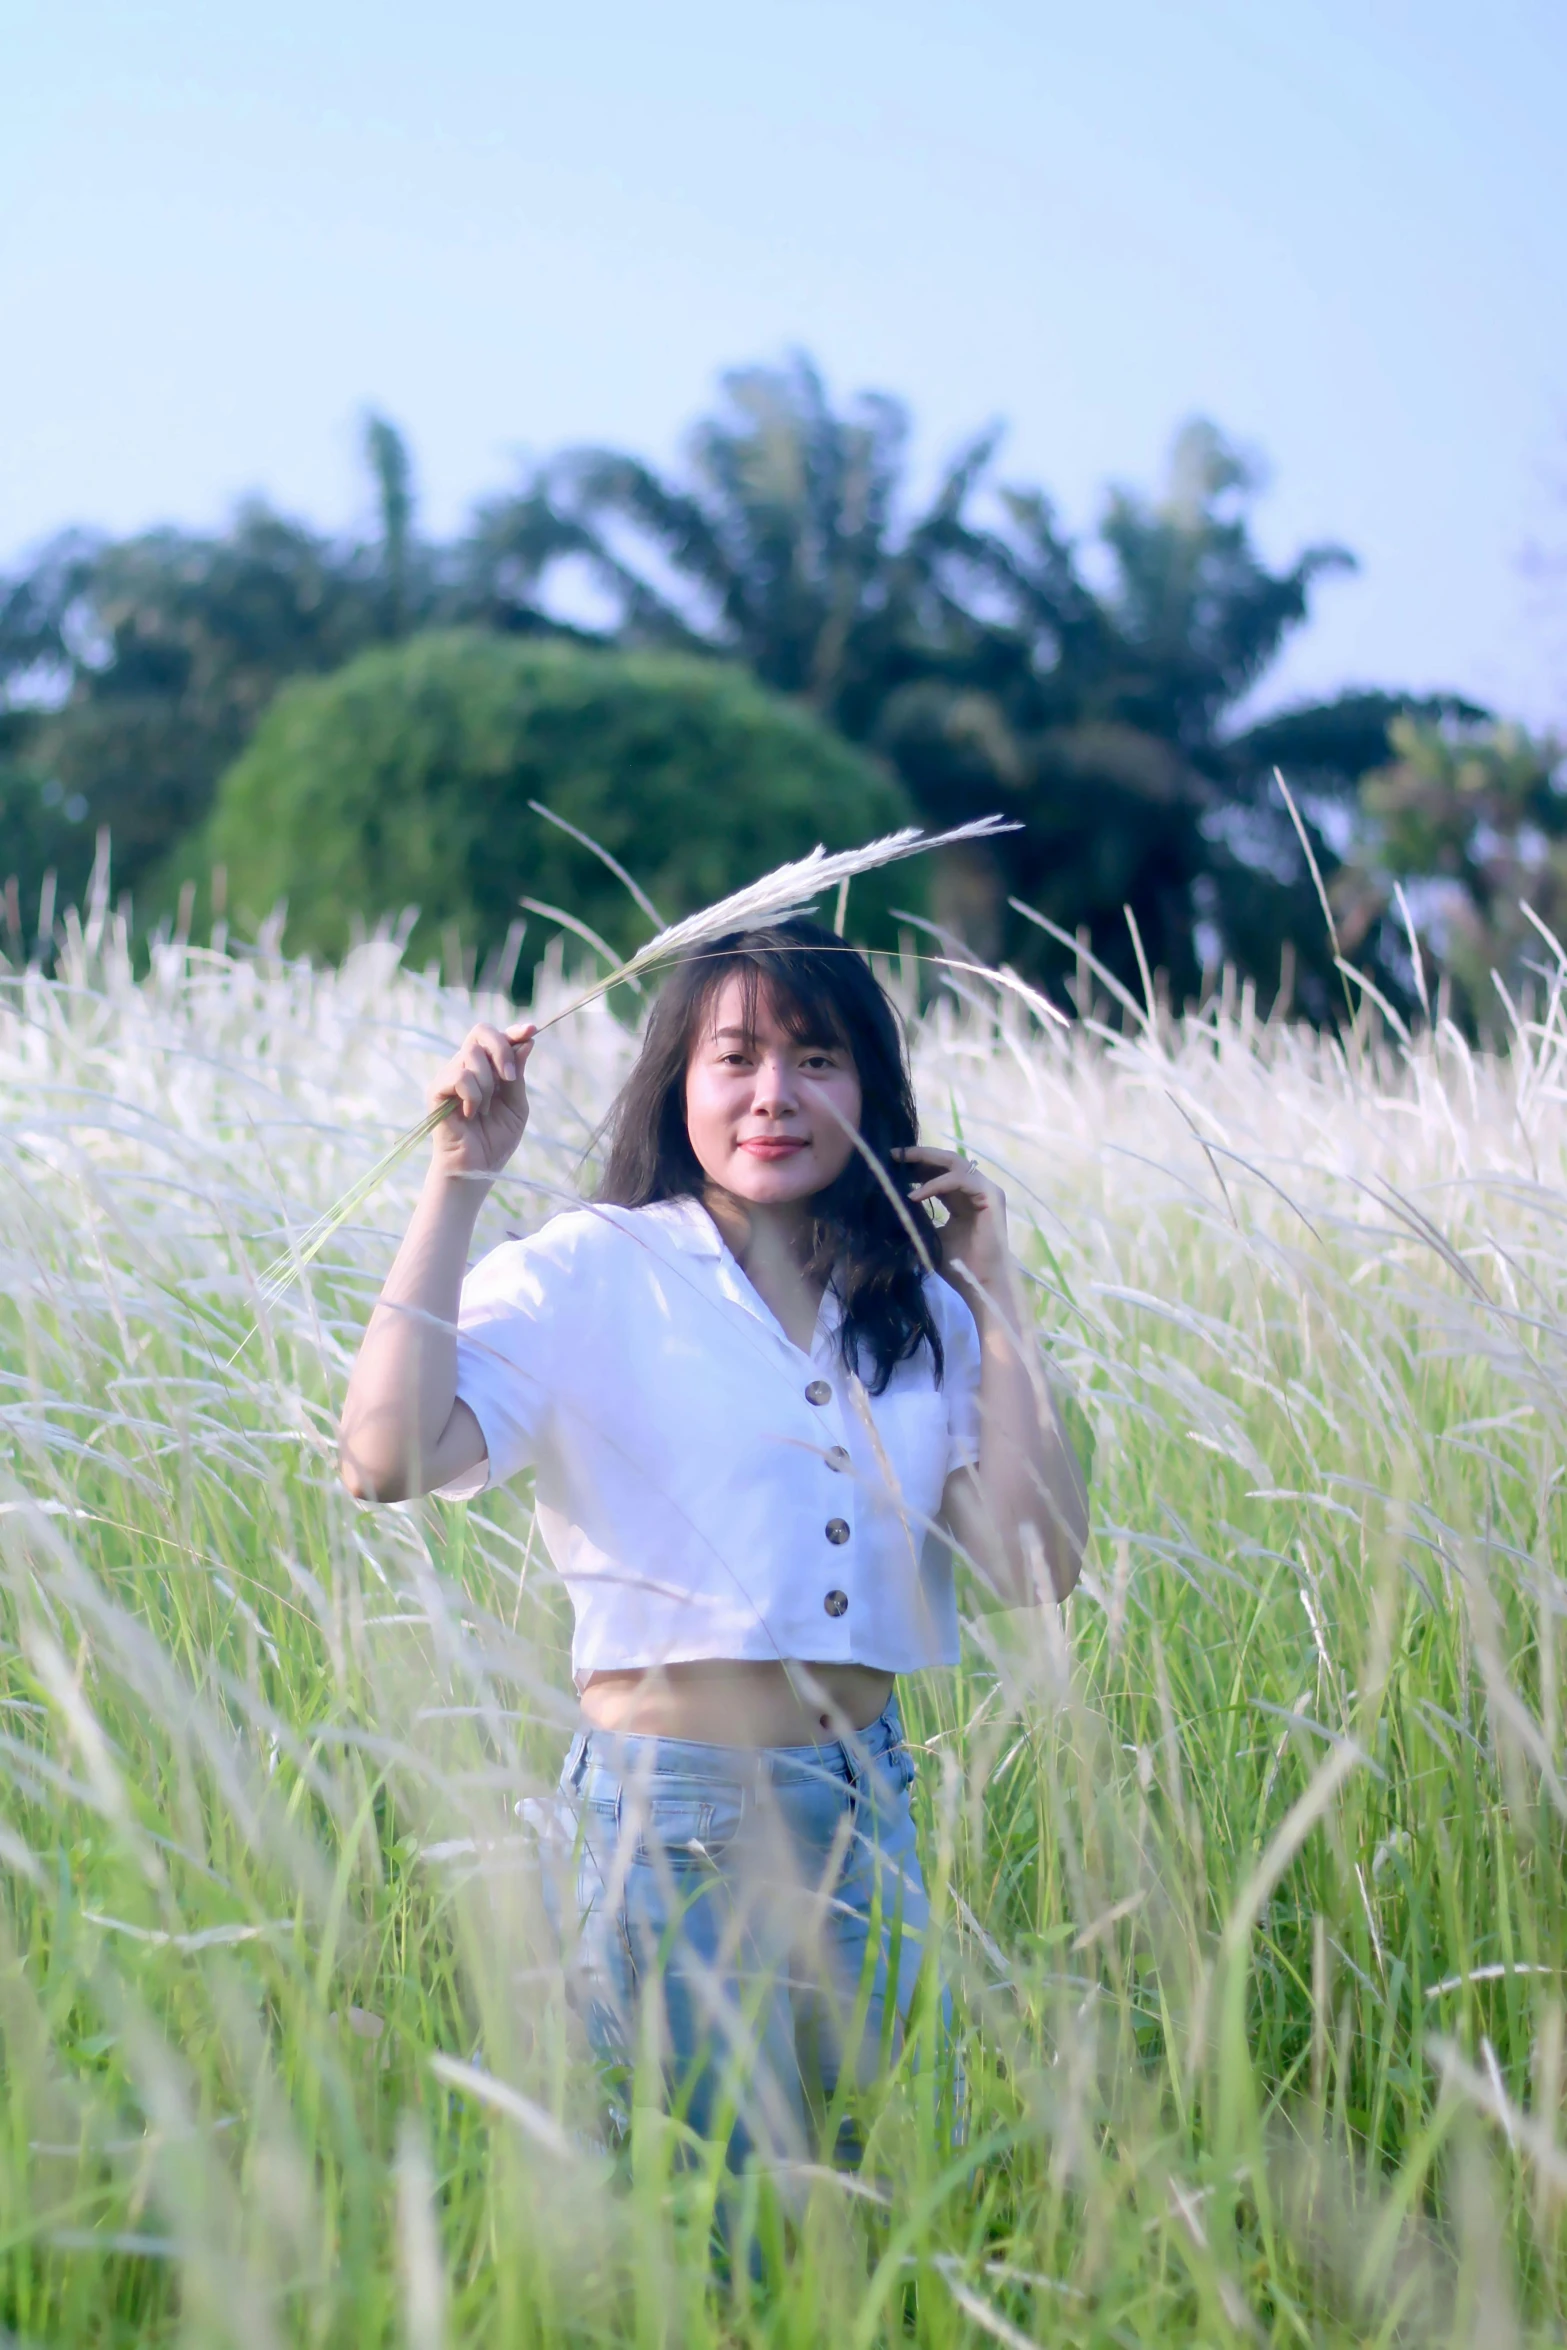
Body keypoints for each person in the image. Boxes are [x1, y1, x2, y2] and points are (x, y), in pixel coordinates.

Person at [339, 918, 1088, 2167]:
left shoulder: (913, 1305)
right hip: (667, 1814)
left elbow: (1034, 1564)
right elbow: (382, 1455)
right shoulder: (596, 1269)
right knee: (693, 2221)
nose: (774, 1095)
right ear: (676, 1081)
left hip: (868, 1799)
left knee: (882, 2208)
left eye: (817, 1057)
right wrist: (457, 1179)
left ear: (873, 1090)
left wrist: (992, 1283)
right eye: (734, 1057)